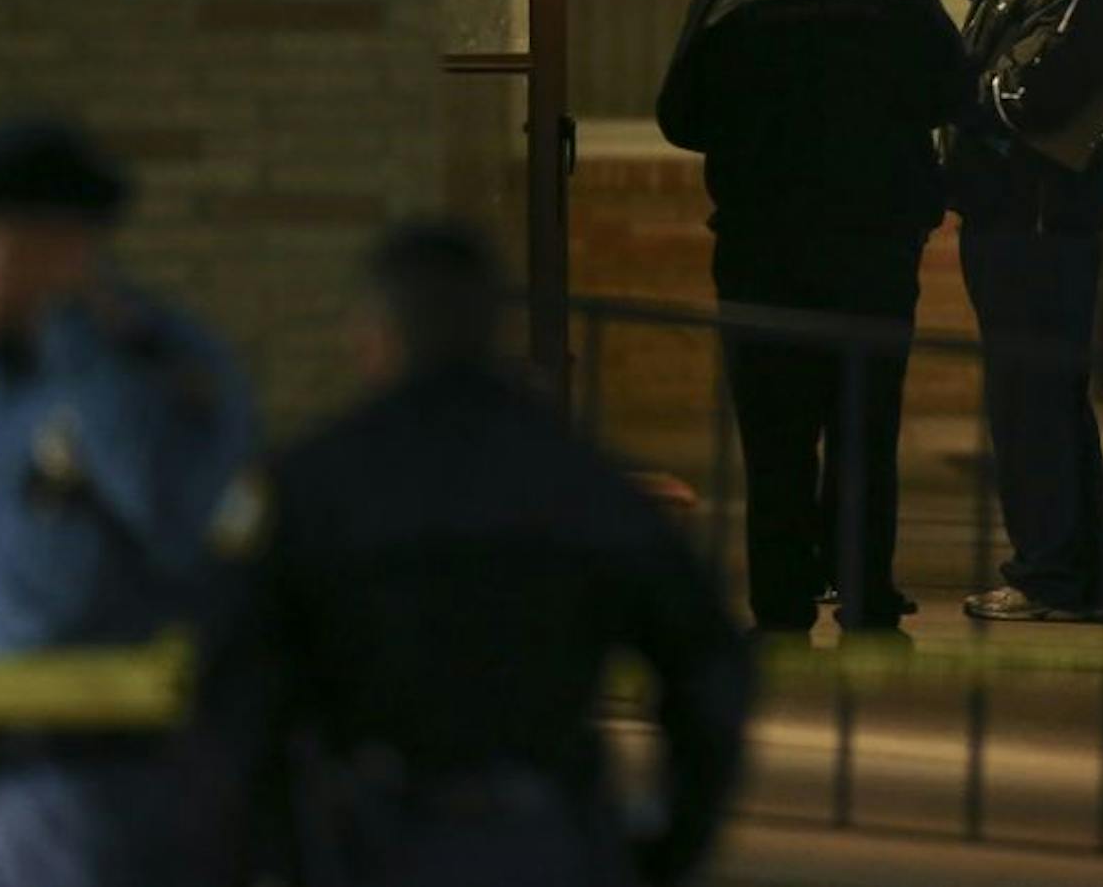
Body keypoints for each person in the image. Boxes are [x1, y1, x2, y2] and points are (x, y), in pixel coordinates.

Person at [241, 222, 750, 887]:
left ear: (375, 336)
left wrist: (271, 846)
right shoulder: (580, 483)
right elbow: (708, 667)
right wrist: (670, 841)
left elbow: (233, 686)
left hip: (365, 836)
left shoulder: (311, 486)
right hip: (544, 837)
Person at [0, 115, 259, 887]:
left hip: (115, 805)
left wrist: (81, 349)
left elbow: (191, 526)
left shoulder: (164, 371)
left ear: (58, 245)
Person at [657, 0, 965, 639]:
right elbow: (951, 92)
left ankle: (781, 607)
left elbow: (680, 116)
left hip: (763, 242)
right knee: (866, 430)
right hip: (872, 244)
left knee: (774, 436)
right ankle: (864, 603)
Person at [890, 0, 1103, 623]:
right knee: (1032, 395)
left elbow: (1030, 97)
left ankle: (1053, 579)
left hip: (1038, 223)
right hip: (1008, 214)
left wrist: (939, 85)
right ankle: (1064, 572)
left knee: (1034, 399)